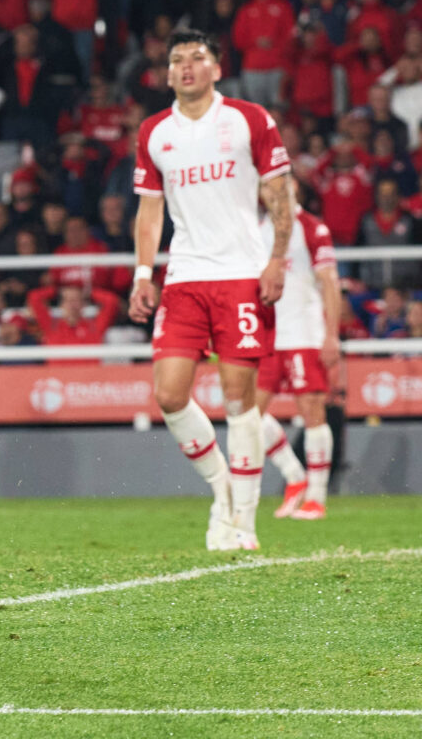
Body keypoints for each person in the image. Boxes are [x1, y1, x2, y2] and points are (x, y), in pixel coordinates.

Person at [129, 29, 293, 552]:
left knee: (239, 399)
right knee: (171, 394)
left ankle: (243, 522)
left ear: (217, 68)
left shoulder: (248, 119)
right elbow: (150, 209)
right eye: (176, 59)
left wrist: (276, 260)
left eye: (197, 57)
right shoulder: (154, 131)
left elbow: (279, 194)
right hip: (184, 277)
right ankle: (222, 490)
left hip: (242, 274)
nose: (186, 66)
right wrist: (141, 273)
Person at [256, 182, 340, 521]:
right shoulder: (258, 229)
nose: (273, 193)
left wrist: (331, 335)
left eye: (280, 187)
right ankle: (294, 476)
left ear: (294, 191)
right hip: (268, 335)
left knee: (312, 412)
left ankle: (317, 498)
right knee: (248, 414)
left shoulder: (312, 228)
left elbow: (330, 282)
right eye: (267, 188)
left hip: (304, 334)